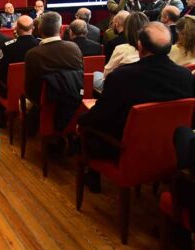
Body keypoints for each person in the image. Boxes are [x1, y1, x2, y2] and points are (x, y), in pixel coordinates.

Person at [78, 22, 193, 191]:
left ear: (140, 46)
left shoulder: (121, 77)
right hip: (169, 149)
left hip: (125, 150)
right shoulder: (185, 76)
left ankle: (92, 176)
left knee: (88, 130)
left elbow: (100, 116)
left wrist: (81, 120)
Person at [25, 12, 83, 105]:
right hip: (74, 104)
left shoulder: (32, 54)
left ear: (39, 30)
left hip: (44, 107)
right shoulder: (74, 48)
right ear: (61, 30)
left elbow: (29, 91)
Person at [94, 12, 149, 92]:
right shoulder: (154, 49)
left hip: (121, 88)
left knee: (95, 75)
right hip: (143, 89)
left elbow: (107, 75)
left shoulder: (120, 48)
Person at [0, 15, 38, 91]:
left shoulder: (7, 47)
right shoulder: (40, 44)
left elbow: (1, 73)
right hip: (36, 90)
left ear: (16, 28)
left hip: (13, 91)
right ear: (33, 28)